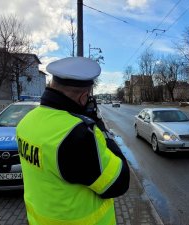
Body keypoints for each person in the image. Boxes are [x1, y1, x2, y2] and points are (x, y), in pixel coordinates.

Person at [16, 57, 130, 225]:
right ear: (83, 97)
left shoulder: (26, 122)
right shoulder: (78, 135)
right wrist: (102, 130)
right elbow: (119, 183)